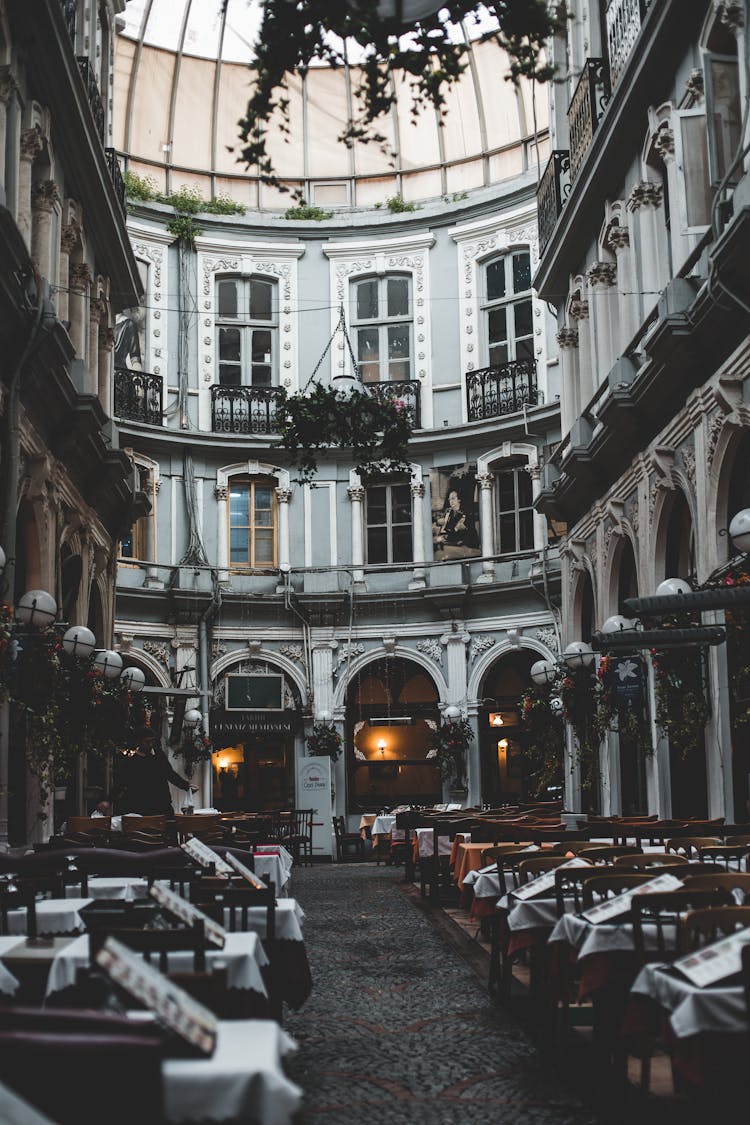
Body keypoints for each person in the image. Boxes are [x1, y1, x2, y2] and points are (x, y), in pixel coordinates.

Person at [115, 729, 198, 815]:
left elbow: (170, 774)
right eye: (147, 742)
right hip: (141, 806)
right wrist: (108, 800)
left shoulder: (159, 755)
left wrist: (186, 786)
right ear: (139, 741)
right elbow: (121, 782)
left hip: (162, 804)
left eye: (152, 741)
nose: (151, 744)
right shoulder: (132, 761)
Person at [434, 488, 479, 552]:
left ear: (459, 499)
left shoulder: (466, 513)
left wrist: (445, 537)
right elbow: (446, 529)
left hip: (465, 546)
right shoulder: (448, 512)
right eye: (449, 499)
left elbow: (458, 532)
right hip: (453, 544)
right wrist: (439, 522)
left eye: (453, 498)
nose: (451, 501)